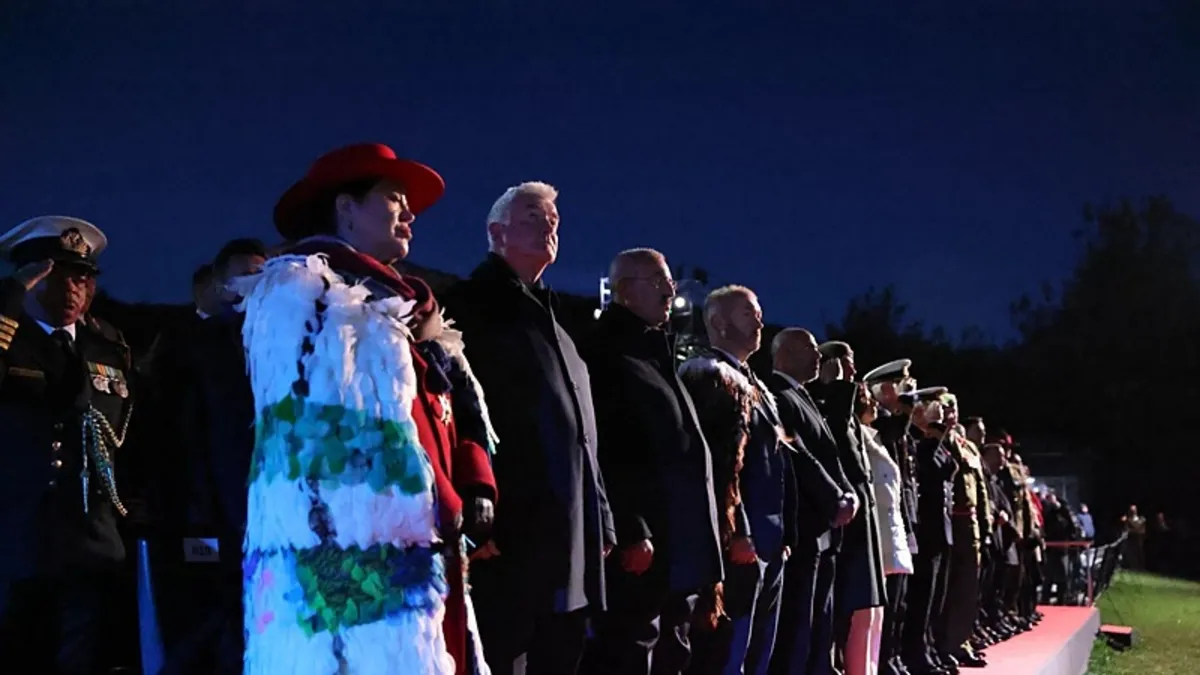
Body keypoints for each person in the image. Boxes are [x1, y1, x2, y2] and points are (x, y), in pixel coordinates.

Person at [237, 143, 496, 674]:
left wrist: (470, 483)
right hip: (348, 550)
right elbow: (315, 445)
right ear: (346, 207)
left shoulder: (413, 313)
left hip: (426, 543)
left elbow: (450, 415)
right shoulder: (304, 297)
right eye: (393, 197)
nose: (409, 212)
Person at [441, 181, 614, 675]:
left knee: (562, 654)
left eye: (553, 220)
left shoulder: (556, 322)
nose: (550, 226)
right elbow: (457, 416)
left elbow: (583, 433)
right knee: (504, 657)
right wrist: (477, 513)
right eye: (534, 218)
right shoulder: (468, 309)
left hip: (569, 537)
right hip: (509, 535)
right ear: (497, 232)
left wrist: (600, 517)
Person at [0, 216, 135, 673]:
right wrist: (7, 303)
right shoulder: (9, 336)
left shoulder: (107, 345)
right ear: (30, 279)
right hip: (19, 536)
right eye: (59, 275)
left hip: (93, 537)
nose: (75, 288)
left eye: (83, 277)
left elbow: (126, 433)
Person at [580, 248, 724, 675]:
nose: (669, 291)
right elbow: (609, 447)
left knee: (670, 647)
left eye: (670, 283)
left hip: (675, 542)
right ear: (623, 291)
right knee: (630, 649)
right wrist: (630, 526)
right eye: (658, 282)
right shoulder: (608, 354)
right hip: (643, 543)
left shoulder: (654, 352)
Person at [679, 285, 796, 675]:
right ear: (718, 322)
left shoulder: (757, 385)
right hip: (738, 541)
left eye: (759, 313)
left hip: (770, 538)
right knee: (729, 652)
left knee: (757, 651)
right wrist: (739, 529)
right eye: (748, 313)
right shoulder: (711, 378)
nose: (759, 321)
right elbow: (719, 463)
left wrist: (784, 534)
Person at [766, 328, 858, 675]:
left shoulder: (801, 394)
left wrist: (847, 491)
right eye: (809, 347)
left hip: (824, 526)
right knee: (797, 624)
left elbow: (830, 453)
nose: (818, 355)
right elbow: (798, 454)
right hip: (804, 524)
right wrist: (836, 496)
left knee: (819, 619)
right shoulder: (779, 394)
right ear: (784, 353)